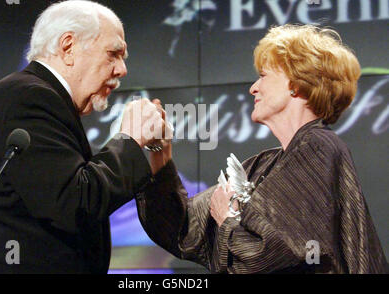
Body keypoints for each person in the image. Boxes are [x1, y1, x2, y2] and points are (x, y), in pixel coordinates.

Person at [136, 24, 388, 273]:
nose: (253, 87)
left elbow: (273, 255)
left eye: (264, 75)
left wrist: (227, 218)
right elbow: (181, 228)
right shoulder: (263, 166)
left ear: (296, 84)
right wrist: (160, 150)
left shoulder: (319, 149)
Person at [0, 0, 167, 273]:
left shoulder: (40, 98)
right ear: (68, 47)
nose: (122, 69)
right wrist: (129, 140)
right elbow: (75, 203)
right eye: (113, 53)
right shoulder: (30, 98)